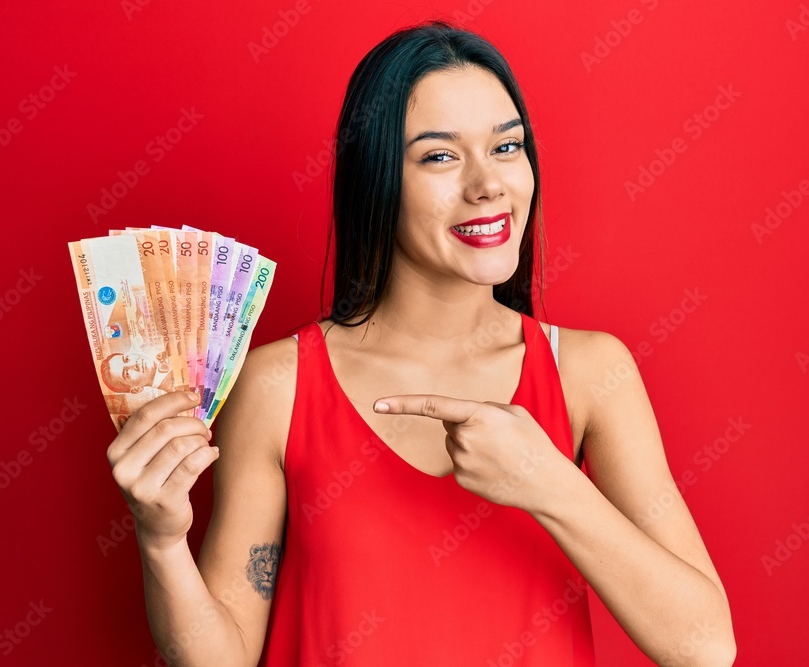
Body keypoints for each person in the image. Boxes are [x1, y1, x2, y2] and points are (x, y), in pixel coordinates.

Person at [106, 20, 736, 666]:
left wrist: (551, 483)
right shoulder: (278, 385)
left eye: (507, 147)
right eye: (439, 156)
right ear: (376, 180)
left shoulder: (590, 372)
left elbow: (705, 647)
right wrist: (160, 539)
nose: (488, 184)